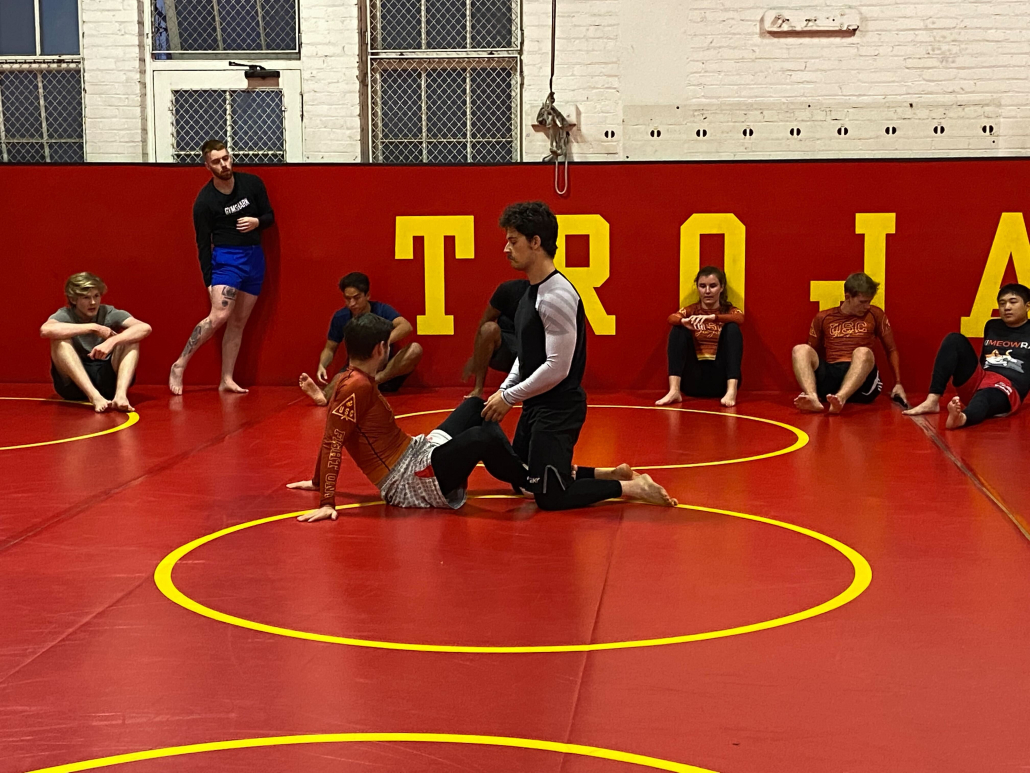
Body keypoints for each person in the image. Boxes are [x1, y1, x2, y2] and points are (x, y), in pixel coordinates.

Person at [481, 201, 677, 510]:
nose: (506, 248)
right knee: (522, 481)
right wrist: (506, 388)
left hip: (559, 407)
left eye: (513, 240)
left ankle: (630, 487)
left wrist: (510, 398)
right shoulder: (528, 293)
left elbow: (558, 367)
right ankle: (609, 472)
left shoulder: (557, 295)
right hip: (536, 402)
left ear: (535, 242)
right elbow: (528, 355)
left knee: (550, 496)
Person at [289, 313, 528, 517]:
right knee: (482, 437)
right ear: (380, 349)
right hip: (405, 480)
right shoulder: (355, 386)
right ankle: (529, 481)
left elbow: (331, 433)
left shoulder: (354, 378)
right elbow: (333, 440)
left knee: (475, 407)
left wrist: (317, 481)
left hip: (416, 452)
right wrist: (326, 502)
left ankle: (518, 474)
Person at [169, 139, 275, 395]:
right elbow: (203, 244)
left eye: (226, 158)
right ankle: (180, 364)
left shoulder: (252, 184)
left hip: (254, 257)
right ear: (207, 165)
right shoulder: (205, 201)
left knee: (238, 322)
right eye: (217, 161)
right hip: (227, 258)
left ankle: (226, 378)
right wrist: (209, 281)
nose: (224, 164)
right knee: (220, 316)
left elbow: (269, 216)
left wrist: (256, 221)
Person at [904, 283, 1030, 429]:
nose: (1006, 307)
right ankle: (932, 400)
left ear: (1027, 306)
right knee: (954, 339)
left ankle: (962, 418)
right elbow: (984, 358)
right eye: (1002, 303)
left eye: (1013, 302)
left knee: (986, 395)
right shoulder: (992, 325)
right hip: (982, 378)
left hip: (1007, 389)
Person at [299, 272, 423, 406]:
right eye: (347, 299)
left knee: (415, 349)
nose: (352, 303)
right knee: (338, 380)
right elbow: (330, 348)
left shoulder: (381, 310)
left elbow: (406, 326)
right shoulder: (341, 317)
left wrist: (383, 343)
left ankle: (375, 380)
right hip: (358, 371)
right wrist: (322, 365)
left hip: (386, 372)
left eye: (356, 298)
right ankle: (323, 396)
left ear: (367, 295)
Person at [792, 272, 907, 414]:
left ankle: (841, 398)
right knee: (800, 349)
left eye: (869, 301)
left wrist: (898, 383)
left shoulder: (875, 314)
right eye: (862, 302)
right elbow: (811, 353)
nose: (867, 306)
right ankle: (812, 397)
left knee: (863, 351)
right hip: (831, 374)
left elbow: (891, 349)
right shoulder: (823, 317)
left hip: (862, 381)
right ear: (847, 297)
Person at [40, 272, 152, 413]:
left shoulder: (108, 312)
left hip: (107, 380)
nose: (93, 302)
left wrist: (111, 342)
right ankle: (94, 397)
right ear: (74, 300)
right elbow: (45, 330)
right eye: (86, 298)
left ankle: (121, 396)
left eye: (96, 296)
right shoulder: (65, 315)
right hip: (74, 386)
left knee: (131, 339)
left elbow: (144, 328)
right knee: (59, 341)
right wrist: (94, 328)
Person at [657, 265, 743, 407]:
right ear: (697, 288)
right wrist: (684, 321)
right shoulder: (692, 309)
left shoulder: (729, 310)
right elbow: (671, 318)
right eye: (702, 286)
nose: (707, 291)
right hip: (693, 379)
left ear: (721, 288)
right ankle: (674, 390)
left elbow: (740, 318)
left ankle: (731, 391)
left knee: (732, 329)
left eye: (713, 286)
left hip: (720, 379)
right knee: (678, 328)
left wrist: (713, 318)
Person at [462, 278, 530, 397]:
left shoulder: (551, 294)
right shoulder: (508, 289)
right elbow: (484, 322)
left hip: (533, 350)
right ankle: (478, 388)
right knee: (488, 328)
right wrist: (475, 357)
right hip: (507, 349)